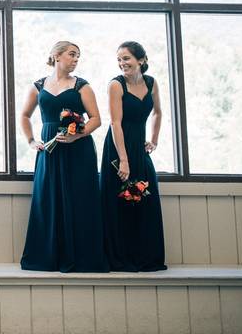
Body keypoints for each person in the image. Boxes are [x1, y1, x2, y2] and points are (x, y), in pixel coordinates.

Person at [20, 41, 108, 272]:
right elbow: (24, 116)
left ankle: (82, 257)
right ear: (56, 56)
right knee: (48, 199)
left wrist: (76, 136)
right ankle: (48, 257)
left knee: (80, 198)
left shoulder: (82, 86)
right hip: (49, 150)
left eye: (78, 56)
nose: (76, 60)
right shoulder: (38, 86)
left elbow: (96, 119)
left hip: (78, 150)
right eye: (72, 55)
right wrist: (31, 141)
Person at [101, 41, 166, 271]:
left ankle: (145, 257)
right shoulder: (116, 85)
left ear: (141, 60)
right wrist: (124, 160)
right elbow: (114, 123)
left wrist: (154, 140)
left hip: (139, 147)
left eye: (126, 58)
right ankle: (120, 258)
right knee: (120, 200)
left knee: (145, 197)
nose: (122, 63)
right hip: (118, 148)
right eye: (119, 59)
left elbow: (158, 112)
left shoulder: (151, 82)